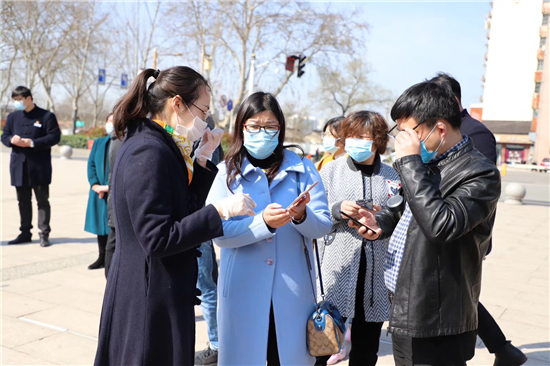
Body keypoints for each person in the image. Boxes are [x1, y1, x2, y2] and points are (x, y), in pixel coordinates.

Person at [93, 67, 256, 366]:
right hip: (148, 297)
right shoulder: (149, 151)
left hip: (156, 289)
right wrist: (218, 212)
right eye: (203, 110)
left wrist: (203, 158)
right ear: (177, 103)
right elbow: (157, 237)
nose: (205, 119)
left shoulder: (162, 144)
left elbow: (180, 206)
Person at [352, 80, 501, 366]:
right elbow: (404, 212)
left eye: (409, 133)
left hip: (438, 315)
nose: (403, 141)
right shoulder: (428, 165)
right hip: (405, 304)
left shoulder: (480, 174)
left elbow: (440, 225)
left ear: (440, 129)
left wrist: (409, 163)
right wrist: (379, 221)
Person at [206, 91, 332, 366]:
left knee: (286, 357)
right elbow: (216, 232)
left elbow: (323, 226)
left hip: (293, 292)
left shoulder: (303, 168)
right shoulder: (226, 172)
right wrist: (262, 223)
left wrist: (301, 216)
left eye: (270, 126)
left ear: (280, 128)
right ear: (242, 127)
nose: (262, 133)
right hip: (242, 290)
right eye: (254, 126)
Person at [430, 73, 527, 366]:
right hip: (438, 222)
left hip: (463, 227)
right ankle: (503, 349)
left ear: (453, 100)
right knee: (458, 293)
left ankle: (496, 348)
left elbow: (477, 193)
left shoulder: (477, 132)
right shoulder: (436, 131)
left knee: (461, 294)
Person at [315, 111, 401, 366]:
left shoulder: (392, 176)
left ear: (377, 140)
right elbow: (314, 216)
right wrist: (337, 209)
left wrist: (381, 218)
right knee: (322, 345)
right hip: (335, 269)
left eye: (363, 137)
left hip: (375, 276)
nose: (356, 142)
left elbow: (399, 215)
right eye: (351, 136)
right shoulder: (331, 171)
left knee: (366, 351)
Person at [1, 86, 61, 247]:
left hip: (39, 166)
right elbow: (4, 136)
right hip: (18, 165)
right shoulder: (12, 117)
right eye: (15, 100)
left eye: (19, 100)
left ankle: (44, 233)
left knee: (42, 201)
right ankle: (25, 232)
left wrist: (33, 143)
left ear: (29, 98)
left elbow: (54, 136)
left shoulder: (46, 116)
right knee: (23, 201)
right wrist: (11, 140)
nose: (17, 103)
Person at [193, 114, 225, 366]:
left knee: (206, 287)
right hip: (198, 221)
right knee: (206, 285)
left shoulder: (205, 140)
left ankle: (216, 344)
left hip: (198, 222)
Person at [84, 121, 112, 270]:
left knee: (111, 228)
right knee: (100, 226)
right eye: (109, 121)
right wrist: (95, 185)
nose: (111, 124)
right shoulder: (99, 142)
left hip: (112, 191)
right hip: (98, 191)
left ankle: (109, 258)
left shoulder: (123, 142)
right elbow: (91, 164)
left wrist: (108, 186)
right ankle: (101, 256)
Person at [104, 113, 123, 278]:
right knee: (114, 240)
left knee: (114, 239)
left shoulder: (118, 137)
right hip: (119, 199)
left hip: (116, 198)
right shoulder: (121, 138)